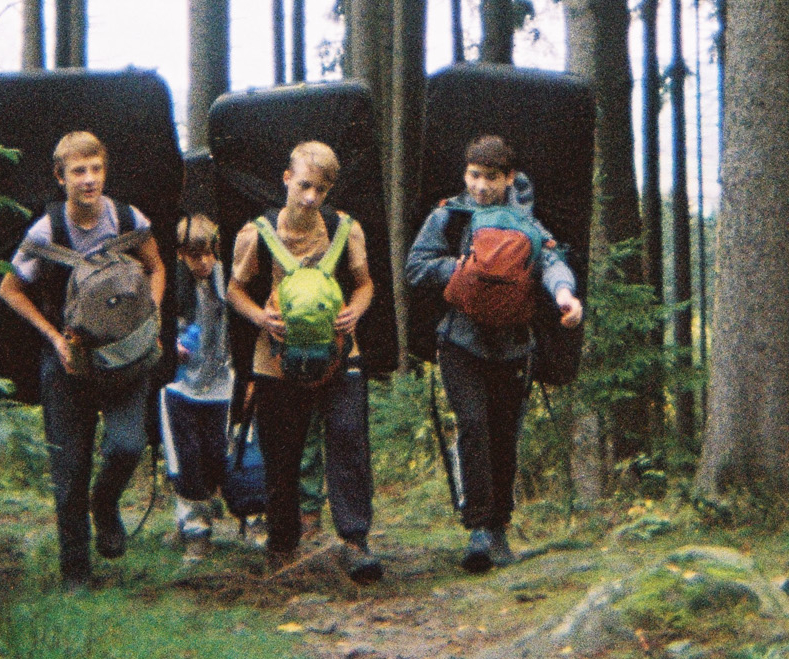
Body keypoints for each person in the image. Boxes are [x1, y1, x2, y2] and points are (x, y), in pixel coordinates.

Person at [405, 134, 583, 574]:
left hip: (514, 344)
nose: (481, 185)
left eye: (490, 177)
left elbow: (551, 261)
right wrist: (464, 270)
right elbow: (416, 266)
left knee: (505, 435)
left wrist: (565, 296)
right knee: (473, 427)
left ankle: (499, 525)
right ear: (465, 174)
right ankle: (478, 529)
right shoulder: (449, 216)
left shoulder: (526, 222)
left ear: (509, 178)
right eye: (474, 175)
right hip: (460, 341)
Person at [0, 131, 168, 588]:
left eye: (96, 169)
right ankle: (76, 570)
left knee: (128, 446)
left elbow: (156, 266)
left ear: (105, 171)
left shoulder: (129, 218)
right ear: (60, 177)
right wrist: (54, 338)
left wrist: (148, 316)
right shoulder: (47, 231)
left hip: (126, 360)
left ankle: (106, 504)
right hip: (69, 365)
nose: (89, 180)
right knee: (69, 470)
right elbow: (9, 289)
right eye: (78, 172)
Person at [227, 141, 383, 582]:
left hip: (340, 354)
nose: (312, 196)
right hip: (276, 360)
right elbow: (234, 290)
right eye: (304, 185)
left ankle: (355, 541)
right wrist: (260, 316)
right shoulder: (255, 233)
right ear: (287, 180)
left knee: (349, 439)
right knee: (282, 454)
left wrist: (357, 308)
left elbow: (365, 283)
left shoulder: (343, 229)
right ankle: (283, 546)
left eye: (322, 188)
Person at [162, 214, 234, 561]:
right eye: (195, 255)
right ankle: (194, 530)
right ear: (180, 254)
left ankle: (222, 514)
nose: (203, 262)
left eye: (209, 254)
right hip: (180, 385)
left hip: (220, 385)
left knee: (218, 455)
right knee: (186, 457)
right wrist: (168, 345)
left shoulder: (226, 281)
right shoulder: (172, 286)